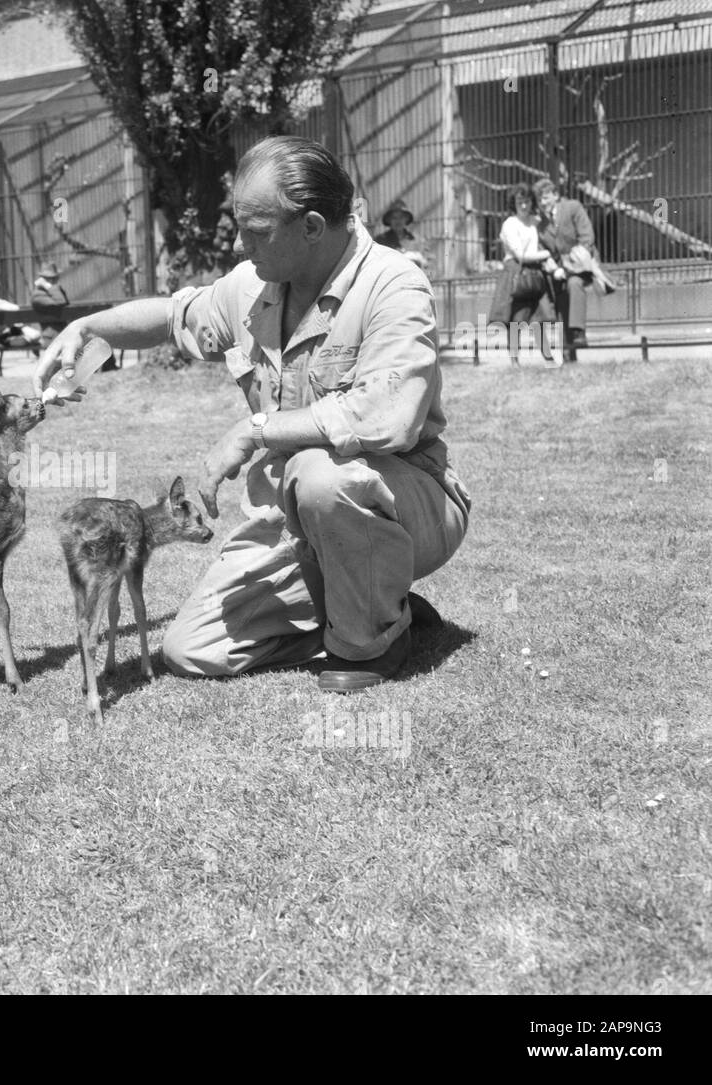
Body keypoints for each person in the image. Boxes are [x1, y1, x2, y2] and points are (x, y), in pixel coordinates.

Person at [34, 136, 472, 692]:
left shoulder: (394, 285)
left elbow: (388, 417)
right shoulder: (254, 286)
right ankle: (367, 600)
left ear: (312, 226)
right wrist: (88, 328)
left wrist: (254, 428)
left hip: (407, 502)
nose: (241, 244)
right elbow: (175, 316)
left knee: (321, 474)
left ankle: (371, 642)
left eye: (257, 230)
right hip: (292, 522)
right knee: (191, 650)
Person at [488, 183, 558, 361]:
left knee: (541, 317)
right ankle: (514, 359)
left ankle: (548, 357)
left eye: (527, 201)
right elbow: (520, 255)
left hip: (535, 273)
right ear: (514, 203)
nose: (524, 206)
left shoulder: (535, 222)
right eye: (520, 202)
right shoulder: (510, 224)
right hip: (516, 272)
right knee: (516, 319)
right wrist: (547, 254)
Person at [533, 178, 595, 361]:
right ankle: (569, 354)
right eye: (539, 200)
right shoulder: (541, 226)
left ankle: (578, 332)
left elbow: (587, 239)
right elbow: (543, 250)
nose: (542, 203)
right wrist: (551, 266)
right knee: (562, 299)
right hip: (558, 274)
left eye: (545, 198)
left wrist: (568, 268)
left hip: (582, 265)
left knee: (574, 284)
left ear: (556, 195)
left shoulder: (573, 208)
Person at [373, 198, 432, 275]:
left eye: (401, 217)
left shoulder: (418, 241)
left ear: (406, 219)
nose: (398, 221)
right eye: (394, 218)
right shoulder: (380, 241)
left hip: (414, 282)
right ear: (389, 220)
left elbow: (429, 265)